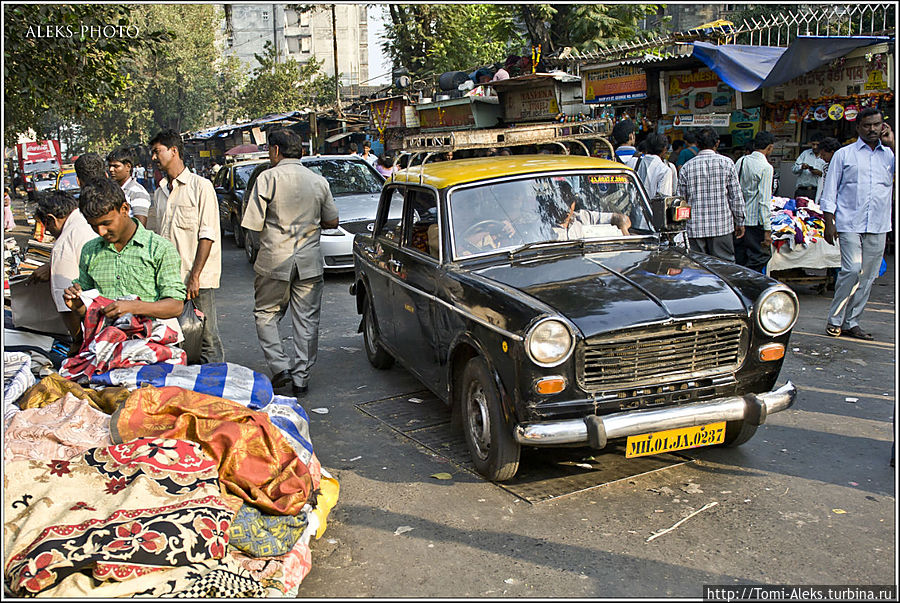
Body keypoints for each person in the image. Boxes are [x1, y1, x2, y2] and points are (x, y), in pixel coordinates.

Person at [241, 129, 339, 397]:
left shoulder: (267, 178)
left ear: (275, 151)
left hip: (274, 259)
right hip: (308, 262)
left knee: (266, 314)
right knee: (306, 321)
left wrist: (261, 248)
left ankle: (280, 367)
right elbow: (332, 221)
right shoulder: (318, 181)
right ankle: (301, 379)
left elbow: (252, 224)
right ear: (302, 153)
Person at [62, 179, 185, 330]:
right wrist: (77, 305)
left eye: (106, 223)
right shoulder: (90, 251)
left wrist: (135, 307)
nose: (101, 232)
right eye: (94, 226)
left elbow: (175, 305)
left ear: (124, 209)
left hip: (152, 342)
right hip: (105, 343)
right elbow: (87, 307)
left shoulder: (159, 248)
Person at [149, 128, 225, 363]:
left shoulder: (200, 187)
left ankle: (218, 385)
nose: (154, 158)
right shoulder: (160, 193)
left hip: (196, 280)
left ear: (174, 151)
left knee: (207, 336)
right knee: (177, 337)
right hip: (168, 281)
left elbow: (207, 234)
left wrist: (195, 275)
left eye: (157, 151)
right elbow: (153, 237)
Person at [820, 108, 894, 341]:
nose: (872, 129)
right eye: (867, 125)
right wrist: (828, 221)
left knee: (868, 276)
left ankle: (852, 322)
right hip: (849, 222)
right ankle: (834, 319)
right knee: (852, 270)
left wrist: (893, 144)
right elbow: (830, 189)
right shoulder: (844, 154)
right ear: (858, 127)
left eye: (877, 125)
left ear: (883, 126)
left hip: (879, 223)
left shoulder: (890, 155)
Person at [28, 190, 98, 341]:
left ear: (51, 219)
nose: (48, 231)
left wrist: (77, 341)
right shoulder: (89, 220)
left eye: (46, 226)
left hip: (94, 323)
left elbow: (66, 302)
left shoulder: (63, 243)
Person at [677, 127, 745, 262]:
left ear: (697, 144)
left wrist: (681, 228)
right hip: (722, 226)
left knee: (698, 268)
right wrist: (740, 221)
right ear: (717, 143)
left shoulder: (687, 167)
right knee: (724, 267)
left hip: (695, 228)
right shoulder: (727, 163)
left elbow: (680, 201)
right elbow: (735, 197)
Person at [733, 131, 775, 273]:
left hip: (740, 218)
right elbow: (764, 201)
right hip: (755, 221)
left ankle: (740, 282)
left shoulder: (741, 161)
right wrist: (767, 229)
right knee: (760, 256)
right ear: (769, 148)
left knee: (740, 255)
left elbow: (735, 189)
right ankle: (748, 281)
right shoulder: (766, 168)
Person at [107, 146, 152, 226]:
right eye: (110, 166)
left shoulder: (138, 192)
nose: (111, 169)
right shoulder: (111, 190)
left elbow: (139, 229)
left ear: (128, 167)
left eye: (116, 166)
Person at [633, 133, 676, 199]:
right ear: (664, 149)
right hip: (650, 208)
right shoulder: (664, 170)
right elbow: (662, 200)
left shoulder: (632, 162)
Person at [792, 133, 825, 199]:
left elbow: (828, 175)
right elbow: (794, 170)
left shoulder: (825, 156)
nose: (815, 147)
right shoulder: (805, 154)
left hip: (816, 191)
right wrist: (801, 167)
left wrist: (820, 173)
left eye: (817, 145)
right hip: (801, 190)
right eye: (813, 144)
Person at [814, 137, 843, 203]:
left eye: (823, 155)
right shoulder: (825, 168)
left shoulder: (843, 167)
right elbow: (822, 187)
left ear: (832, 153)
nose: (821, 158)